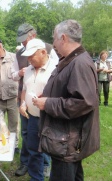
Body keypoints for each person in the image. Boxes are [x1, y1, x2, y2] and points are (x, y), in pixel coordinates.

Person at [33, 19, 100, 181]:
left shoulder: (79, 63)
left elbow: (83, 102)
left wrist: (47, 103)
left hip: (68, 142)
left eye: (54, 38)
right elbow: (69, 91)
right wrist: (49, 95)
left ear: (63, 38)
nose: (53, 43)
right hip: (66, 140)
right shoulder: (71, 59)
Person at [12, 23, 59, 177]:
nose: (29, 60)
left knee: (50, 149)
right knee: (33, 149)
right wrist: (23, 104)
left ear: (44, 52)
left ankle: (47, 169)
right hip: (31, 117)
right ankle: (35, 177)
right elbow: (25, 88)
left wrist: (47, 100)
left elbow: (61, 94)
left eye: (32, 56)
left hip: (49, 117)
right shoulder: (29, 70)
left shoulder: (56, 69)